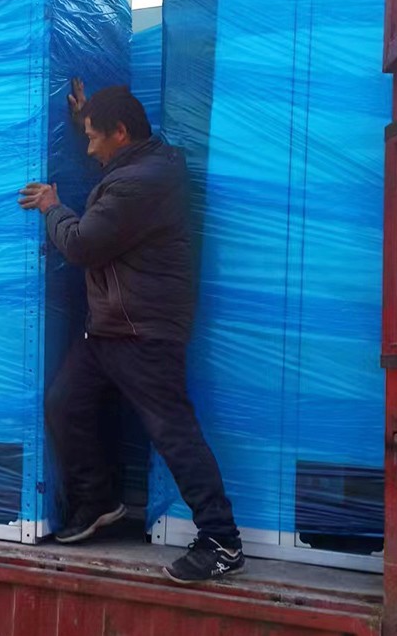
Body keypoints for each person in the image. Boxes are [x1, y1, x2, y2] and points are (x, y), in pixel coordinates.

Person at [18, 81, 242, 583]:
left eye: (94, 138)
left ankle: (222, 540)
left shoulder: (141, 183)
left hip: (142, 332)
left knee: (173, 433)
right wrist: (85, 119)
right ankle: (97, 500)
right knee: (65, 403)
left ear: (120, 132)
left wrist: (51, 206)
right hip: (110, 329)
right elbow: (109, 176)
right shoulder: (145, 164)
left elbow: (82, 244)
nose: (89, 149)